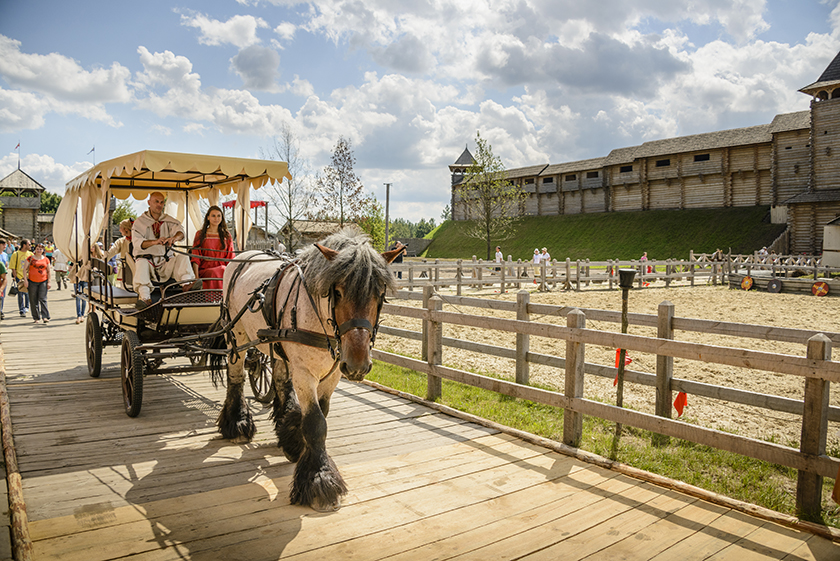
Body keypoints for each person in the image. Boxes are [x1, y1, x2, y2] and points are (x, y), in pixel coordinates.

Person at [132, 191, 199, 309]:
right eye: (156, 202)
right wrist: (154, 242)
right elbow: (137, 243)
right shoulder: (139, 222)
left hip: (165, 261)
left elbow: (180, 231)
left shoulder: (168, 220)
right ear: (149, 203)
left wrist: (174, 238)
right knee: (141, 263)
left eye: (162, 202)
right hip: (148, 262)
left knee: (182, 257)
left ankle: (186, 285)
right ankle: (145, 298)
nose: (159, 205)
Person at [190, 206, 234, 290]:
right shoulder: (200, 234)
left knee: (222, 270)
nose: (216, 218)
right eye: (213, 216)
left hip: (224, 269)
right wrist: (196, 277)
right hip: (206, 269)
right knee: (218, 271)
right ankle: (214, 297)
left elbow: (231, 257)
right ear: (208, 217)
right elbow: (195, 258)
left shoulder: (226, 235)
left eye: (219, 216)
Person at [22, 243, 51, 324]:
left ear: (43, 250)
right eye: (37, 249)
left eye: (40, 249)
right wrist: (25, 280)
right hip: (32, 281)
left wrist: (49, 282)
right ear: (35, 250)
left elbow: (48, 271)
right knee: (33, 300)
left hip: (43, 281)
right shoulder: (30, 258)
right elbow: (24, 269)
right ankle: (36, 317)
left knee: (43, 299)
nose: (39, 250)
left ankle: (45, 316)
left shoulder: (46, 259)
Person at [104, 219, 136, 290]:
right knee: (125, 290)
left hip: (138, 270)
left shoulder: (139, 240)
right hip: (126, 272)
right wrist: (103, 260)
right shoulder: (121, 241)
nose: (119, 230)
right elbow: (111, 252)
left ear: (126, 229)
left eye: (120, 228)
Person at [9, 239, 32, 317]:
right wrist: (15, 276)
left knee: (28, 293)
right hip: (19, 276)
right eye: (29, 244)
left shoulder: (30, 254)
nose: (30, 246)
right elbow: (13, 267)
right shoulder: (16, 254)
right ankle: (22, 310)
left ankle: (27, 306)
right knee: (20, 294)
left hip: (29, 276)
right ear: (24, 245)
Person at [0, 239, 9, 319]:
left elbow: (6, 264)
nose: (4, 246)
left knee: (2, 295)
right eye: (3, 244)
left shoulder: (5, 255)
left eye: (5, 244)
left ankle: (1, 310)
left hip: (3, 277)